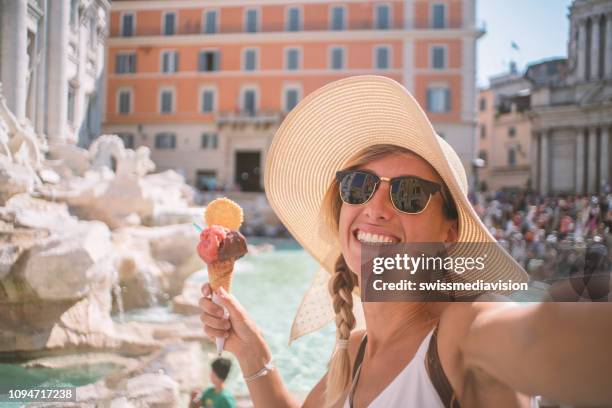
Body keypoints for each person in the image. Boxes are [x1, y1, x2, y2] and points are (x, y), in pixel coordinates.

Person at [198, 76, 612, 407]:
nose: (375, 208)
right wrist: (253, 353)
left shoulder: (463, 330)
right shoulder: (354, 352)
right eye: (358, 186)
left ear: (448, 233)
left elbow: (538, 337)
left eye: (409, 194)